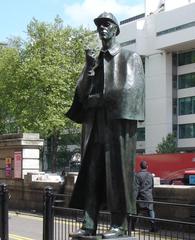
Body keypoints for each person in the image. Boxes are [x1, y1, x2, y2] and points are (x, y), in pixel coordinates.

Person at [66, 12, 145, 238]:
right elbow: (81, 94)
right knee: (92, 176)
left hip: (116, 130)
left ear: (115, 29)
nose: (102, 28)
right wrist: (88, 70)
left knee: (117, 176)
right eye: (99, 25)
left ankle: (119, 226)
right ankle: (89, 224)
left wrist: (100, 99)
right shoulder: (95, 62)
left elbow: (132, 91)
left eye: (106, 24)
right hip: (95, 130)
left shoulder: (130, 57)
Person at [134, 160, 156, 232]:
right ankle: (153, 227)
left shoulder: (138, 175)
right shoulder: (150, 175)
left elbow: (136, 188)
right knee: (151, 211)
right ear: (147, 166)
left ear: (140, 166)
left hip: (140, 197)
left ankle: (132, 226)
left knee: (137, 212)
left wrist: (134, 198)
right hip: (149, 197)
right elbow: (152, 186)